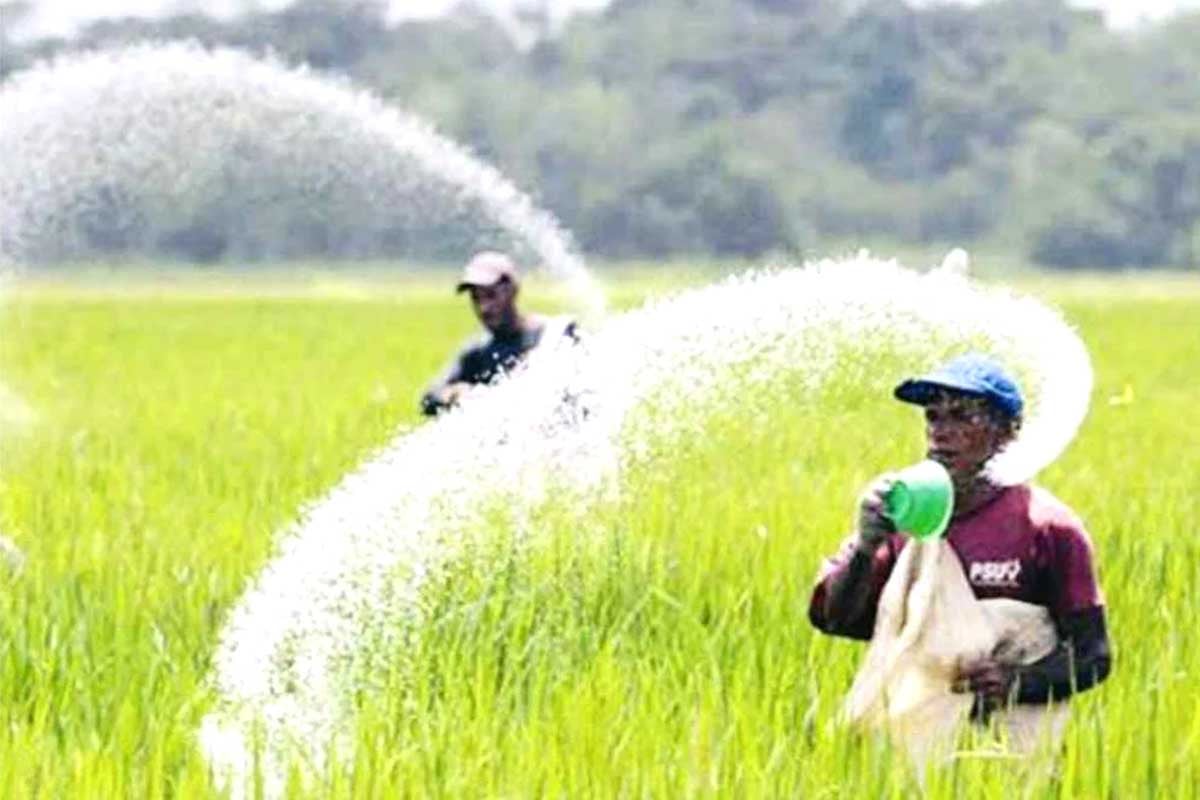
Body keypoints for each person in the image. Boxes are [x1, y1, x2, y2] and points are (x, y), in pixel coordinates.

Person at [809, 353, 1112, 720]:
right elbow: (839, 621)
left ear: (1007, 432)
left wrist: (1016, 682)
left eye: (962, 416)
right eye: (934, 416)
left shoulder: (1048, 528)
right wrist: (865, 546)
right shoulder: (902, 516)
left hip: (1011, 747)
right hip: (908, 739)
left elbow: (1093, 656)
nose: (941, 430)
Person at [420, 251, 578, 417]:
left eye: (491, 296)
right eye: (476, 298)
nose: (484, 308)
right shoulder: (478, 352)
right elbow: (429, 398)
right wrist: (456, 394)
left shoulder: (556, 335)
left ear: (512, 291)